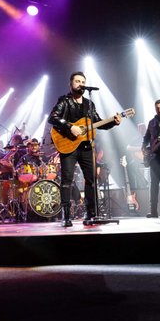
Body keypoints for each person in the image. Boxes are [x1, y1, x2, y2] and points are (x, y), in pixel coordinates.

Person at [48, 71, 121, 227]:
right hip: (68, 146)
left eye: (83, 81)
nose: (80, 84)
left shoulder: (89, 104)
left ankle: (90, 214)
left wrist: (114, 122)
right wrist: (70, 127)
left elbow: (99, 122)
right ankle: (65, 216)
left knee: (91, 180)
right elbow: (52, 117)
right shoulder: (64, 101)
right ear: (71, 83)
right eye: (77, 81)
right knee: (67, 180)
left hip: (86, 146)